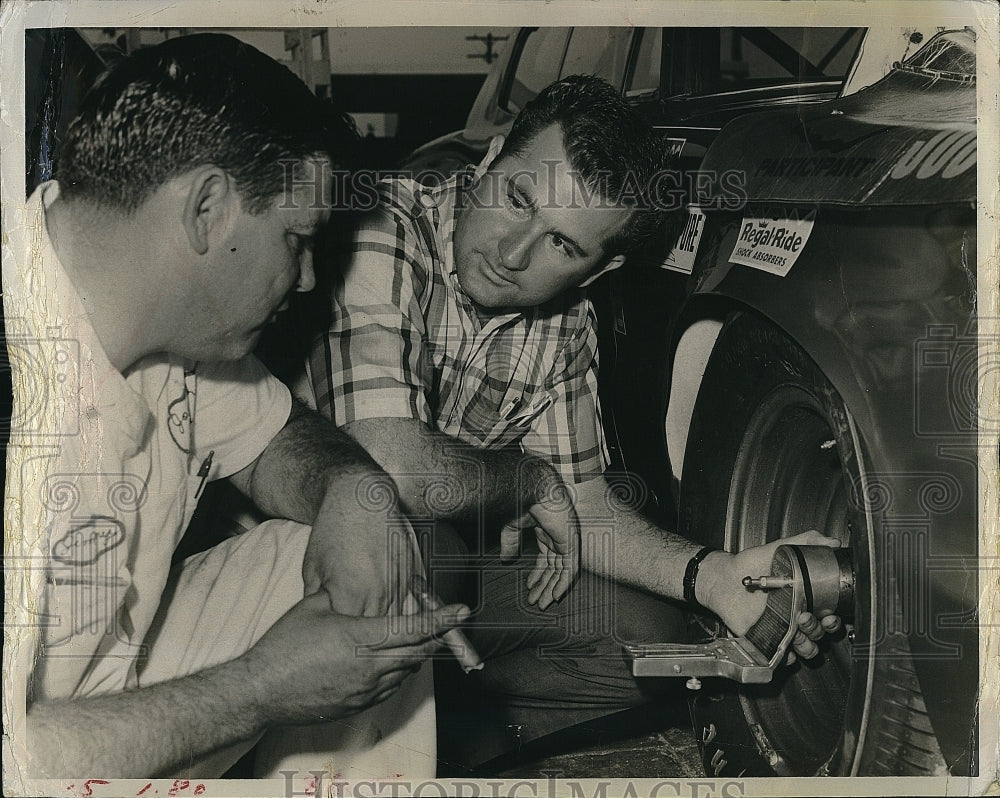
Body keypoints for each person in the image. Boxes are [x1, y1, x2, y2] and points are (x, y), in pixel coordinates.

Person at [308, 75, 841, 764]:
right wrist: (526, 484)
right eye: (517, 200)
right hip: (306, 556)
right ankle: (377, 737)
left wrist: (715, 575)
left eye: (563, 244)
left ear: (599, 268)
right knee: (419, 538)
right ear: (492, 155)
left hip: (452, 576)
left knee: (656, 638)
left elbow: (584, 502)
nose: (513, 254)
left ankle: (452, 727)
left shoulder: (563, 324)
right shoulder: (383, 229)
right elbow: (397, 465)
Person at [3, 33, 470, 781]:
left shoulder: (169, 319)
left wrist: (356, 491)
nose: (311, 277)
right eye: (297, 238)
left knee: (359, 567)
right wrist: (260, 690)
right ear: (208, 210)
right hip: (33, 749)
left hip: (113, 678)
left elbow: (279, 437)